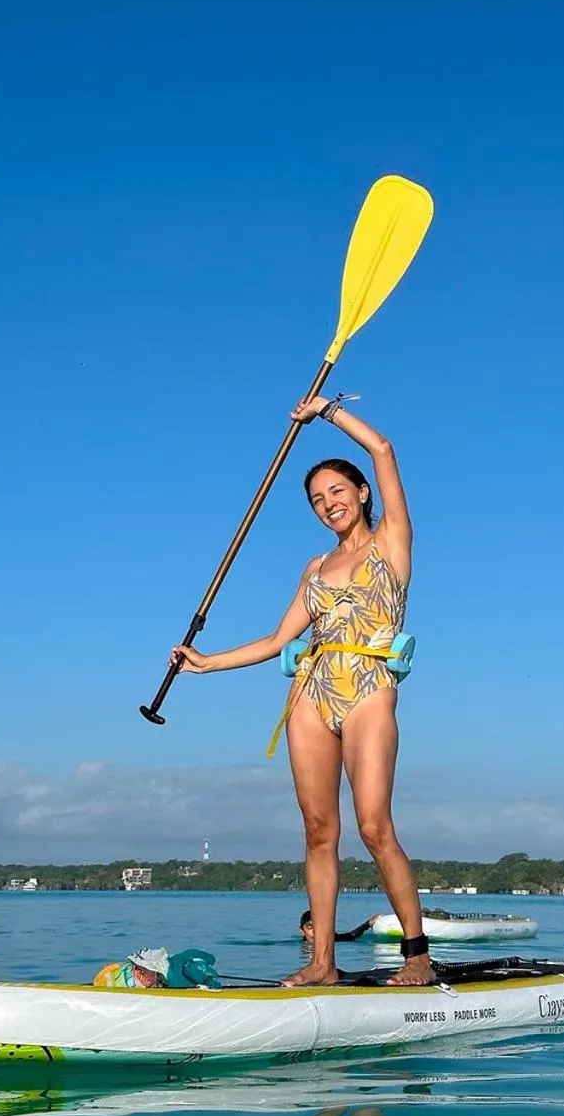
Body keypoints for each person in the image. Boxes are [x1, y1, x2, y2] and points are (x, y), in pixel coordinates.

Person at [170, 394, 434, 987]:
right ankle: (323, 962)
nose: (328, 503)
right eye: (317, 499)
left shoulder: (392, 542)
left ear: (361, 493)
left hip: (368, 687)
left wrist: (328, 412)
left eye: (337, 491)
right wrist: (206, 664)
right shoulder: (313, 569)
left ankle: (417, 954)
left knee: (374, 827)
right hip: (311, 692)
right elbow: (277, 639)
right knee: (319, 831)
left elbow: (383, 449)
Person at [299, 908, 375, 943]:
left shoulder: (334, 938)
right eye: (310, 928)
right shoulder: (300, 944)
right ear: (302, 931)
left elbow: (351, 936)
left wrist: (368, 923)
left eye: (319, 928)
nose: (316, 932)